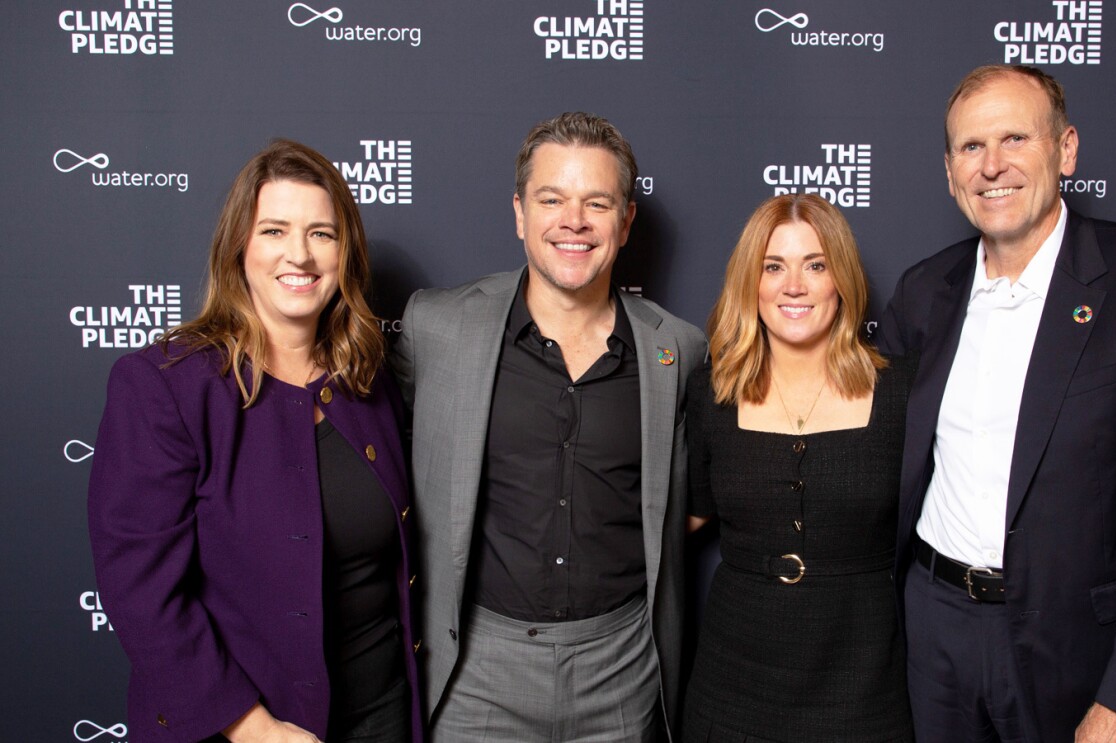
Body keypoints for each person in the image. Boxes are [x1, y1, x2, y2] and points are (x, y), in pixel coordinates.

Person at [877, 64, 1116, 742]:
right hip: (933, 633)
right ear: (949, 172)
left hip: (1072, 648)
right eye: (971, 148)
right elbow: (858, 440)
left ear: (1065, 149)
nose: (992, 165)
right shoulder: (924, 292)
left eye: (1015, 138)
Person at [87, 140, 422, 743]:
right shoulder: (166, 386)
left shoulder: (367, 380)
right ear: (239, 247)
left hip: (384, 714)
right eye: (274, 230)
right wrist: (252, 727)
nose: (300, 254)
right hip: (247, 727)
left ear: (346, 253)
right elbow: (142, 590)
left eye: (322, 233)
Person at [392, 112, 706, 741]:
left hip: (620, 672)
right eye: (551, 199)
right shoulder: (436, 328)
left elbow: (693, 508)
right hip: (479, 673)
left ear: (625, 220)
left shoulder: (679, 348)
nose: (574, 221)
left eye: (598, 201)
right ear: (519, 213)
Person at [684, 193, 915, 742]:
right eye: (773, 267)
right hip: (732, 684)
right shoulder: (710, 390)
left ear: (842, 278)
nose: (795, 285)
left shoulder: (902, 392)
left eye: (816, 264)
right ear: (751, 282)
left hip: (864, 687)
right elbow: (682, 517)